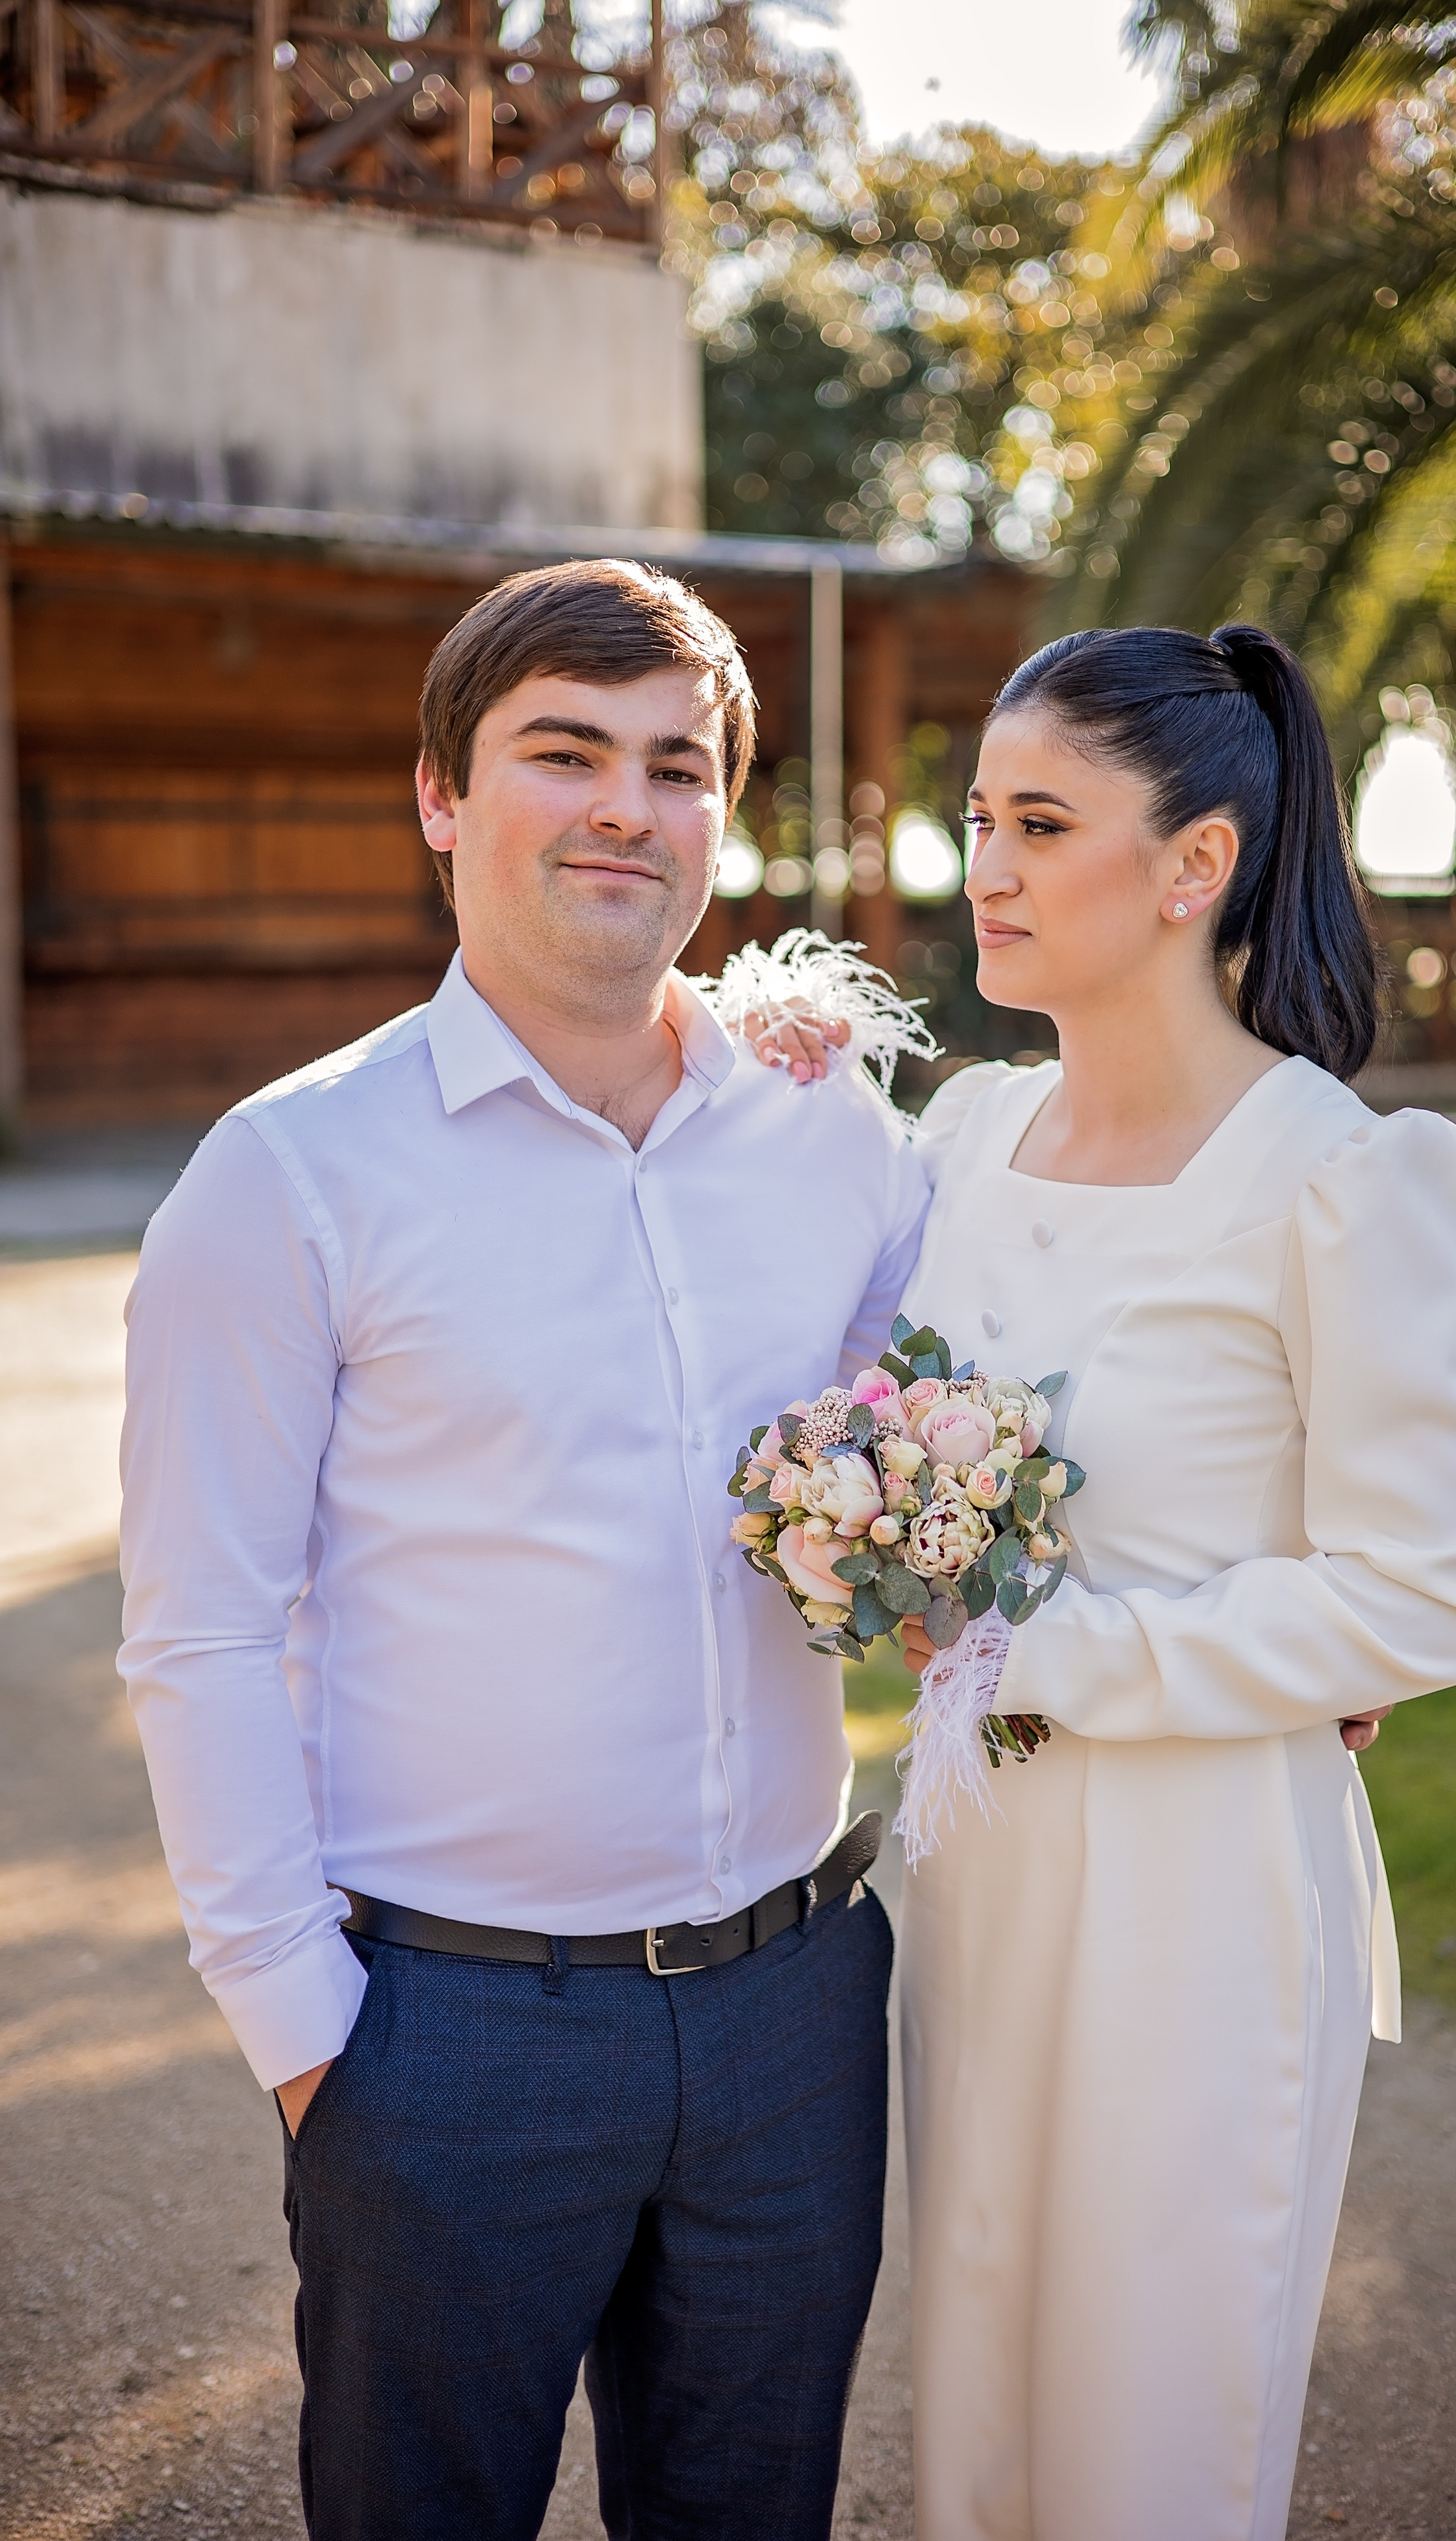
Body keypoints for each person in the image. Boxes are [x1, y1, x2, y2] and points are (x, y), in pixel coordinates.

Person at [117, 560, 931, 2541]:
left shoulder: (840, 1144)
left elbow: (1006, 1417)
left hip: (793, 2011)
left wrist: (1275, 1629)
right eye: (562, 753)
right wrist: (311, 2044)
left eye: (677, 767)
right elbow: (200, 1636)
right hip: (449, 2036)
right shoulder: (292, 1175)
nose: (623, 810)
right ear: (439, 798)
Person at [884, 623, 1456, 2540]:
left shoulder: (1344, 1173)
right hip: (971, 1863)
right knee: (980, 2400)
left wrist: (1064, 1654)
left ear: (1196, 863)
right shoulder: (965, 1131)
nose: (983, 867)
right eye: (977, 819)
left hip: (1202, 1887)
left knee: (1150, 2430)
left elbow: (1443, 1588)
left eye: (1040, 822)